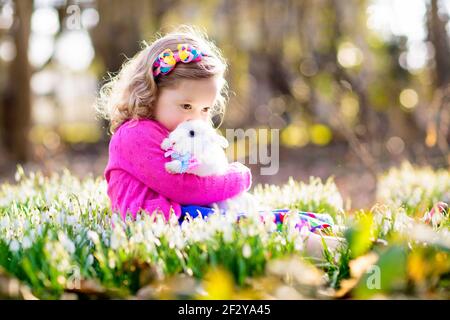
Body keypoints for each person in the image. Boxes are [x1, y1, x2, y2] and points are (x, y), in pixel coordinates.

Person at [97, 25, 344, 258]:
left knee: (266, 218)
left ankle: (332, 238)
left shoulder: (178, 134)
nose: (196, 117)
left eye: (205, 109)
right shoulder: (133, 134)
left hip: (185, 213)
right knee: (253, 232)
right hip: (160, 223)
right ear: (150, 93)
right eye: (186, 106)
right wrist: (237, 178)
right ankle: (329, 250)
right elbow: (184, 188)